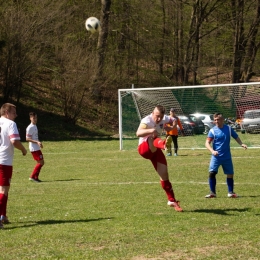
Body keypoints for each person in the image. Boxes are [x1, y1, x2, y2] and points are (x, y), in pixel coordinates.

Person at [136, 105, 183, 212]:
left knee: (164, 174)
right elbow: (138, 133)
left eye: (160, 117)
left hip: (155, 150)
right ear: (152, 113)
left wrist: (172, 127)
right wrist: (151, 129)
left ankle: (171, 200)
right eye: (156, 116)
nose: (158, 119)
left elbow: (175, 119)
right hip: (144, 149)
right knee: (153, 135)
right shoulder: (146, 120)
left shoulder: (165, 118)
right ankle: (164, 144)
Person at [205, 112, 247, 198]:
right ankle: (212, 193)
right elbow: (207, 143)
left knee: (230, 174)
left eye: (218, 119)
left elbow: (236, 137)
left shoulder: (228, 129)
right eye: (215, 120)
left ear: (222, 120)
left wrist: (241, 144)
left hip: (227, 156)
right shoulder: (212, 130)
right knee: (212, 173)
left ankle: (230, 192)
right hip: (216, 157)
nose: (216, 121)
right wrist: (212, 151)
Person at [0, 103, 27, 229]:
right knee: (4, 190)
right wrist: (23, 149)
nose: (16, 115)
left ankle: (3, 216)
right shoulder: (11, 124)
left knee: (3, 190)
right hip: (4, 161)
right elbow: (14, 141)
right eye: (13, 112)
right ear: (7, 113)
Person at [26, 112, 44, 183]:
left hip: (36, 147)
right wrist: (37, 142)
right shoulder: (30, 127)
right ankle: (32, 176)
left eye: (36, 118)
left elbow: (35, 137)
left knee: (40, 162)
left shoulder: (35, 126)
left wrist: (39, 143)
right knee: (41, 162)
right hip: (34, 148)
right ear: (30, 118)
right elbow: (27, 138)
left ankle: (35, 177)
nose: (35, 119)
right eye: (33, 118)